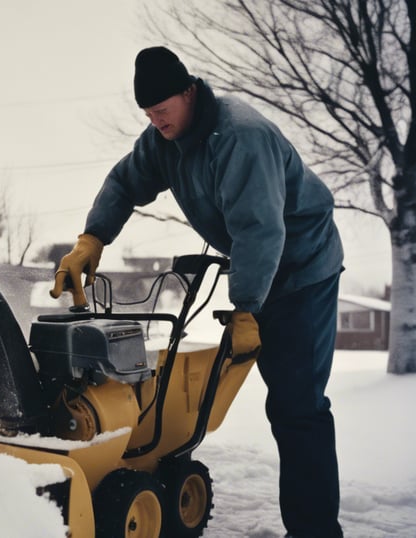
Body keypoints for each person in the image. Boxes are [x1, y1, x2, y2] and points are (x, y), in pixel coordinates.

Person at [50, 46, 344, 538]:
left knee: (298, 408)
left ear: (190, 92)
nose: (156, 121)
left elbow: (259, 231)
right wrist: (91, 239)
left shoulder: (240, 137)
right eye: (147, 113)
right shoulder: (165, 139)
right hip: (259, 266)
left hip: (302, 274)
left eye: (162, 110)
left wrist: (247, 308)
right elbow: (125, 182)